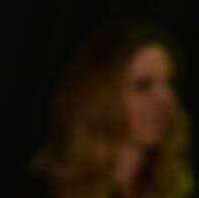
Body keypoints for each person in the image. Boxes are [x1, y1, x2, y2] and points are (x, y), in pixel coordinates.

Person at [29, 20, 193, 198]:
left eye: (170, 84)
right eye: (143, 85)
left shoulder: (179, 189)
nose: (166, 99)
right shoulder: (49, 189)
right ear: (102, 96)